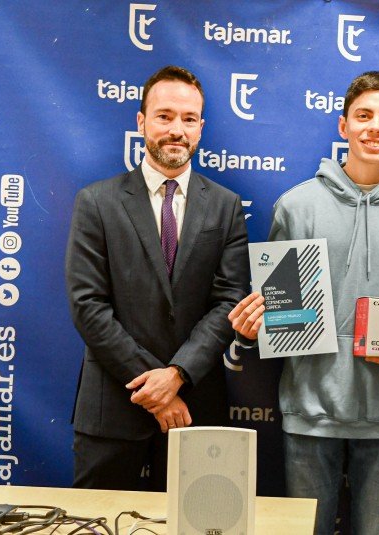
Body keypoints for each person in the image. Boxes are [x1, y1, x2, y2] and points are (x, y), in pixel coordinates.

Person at [228, 71, 379, 534]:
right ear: (343, 126)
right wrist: (257, 327)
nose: (375, 127)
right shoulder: (296, 207)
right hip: (308, 413)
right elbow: (280, 313)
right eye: (363, 116)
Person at [65, 65, 249, 491]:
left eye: (188, 119)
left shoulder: (226, 206)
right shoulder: (96, 203)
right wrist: (157, 385)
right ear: (141, 122)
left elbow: (230, 301)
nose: (177, 130)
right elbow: (87, 306)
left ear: (201, 127)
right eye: (165, 116)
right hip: (113, 406)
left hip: (195, 409)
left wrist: (178, 375)